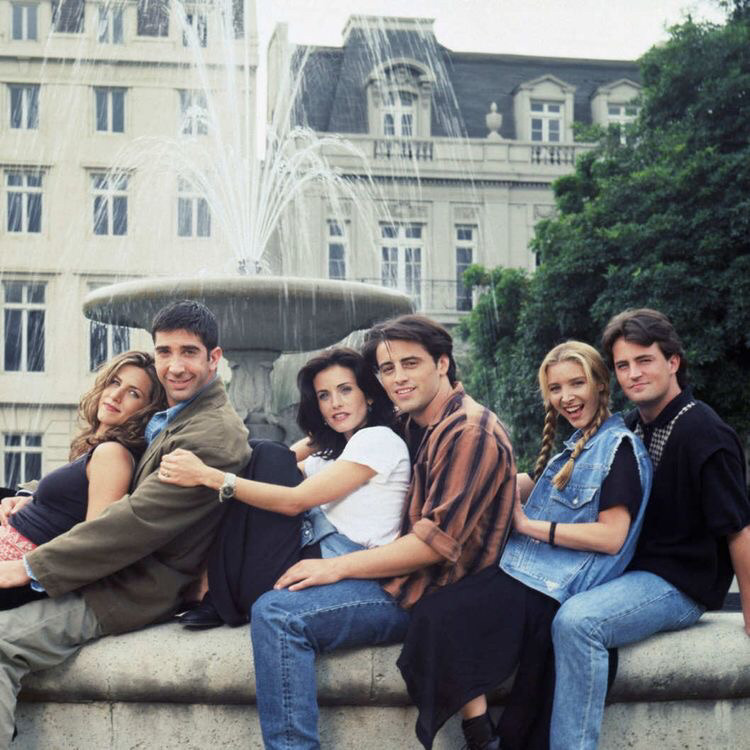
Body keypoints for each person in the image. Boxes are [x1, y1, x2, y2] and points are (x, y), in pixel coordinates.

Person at [246, 314, 517, 750]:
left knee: (279, 615)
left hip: (425, 592)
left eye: (410, 364)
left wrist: (335, 569)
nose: (398, 378)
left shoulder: (468, 430)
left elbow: (433, 547)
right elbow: (340, 438)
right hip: (401, 578)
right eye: (388, 369)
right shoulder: (417, 421)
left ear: (442, 363)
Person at [0, 300, 250, 745]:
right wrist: (30, 495)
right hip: (107, 571)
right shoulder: (176, 415)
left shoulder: (211, 433)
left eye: (189, 352)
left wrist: (28, 568)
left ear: (215, 357)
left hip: (127, 588)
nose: (175, 366)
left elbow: (135, 520)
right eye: (165, 352)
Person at [396, 340, 652, 750]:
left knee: (437, 614)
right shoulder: (575, 446)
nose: (566, 397)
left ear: (601, 385)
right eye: (556, 388)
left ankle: (480, 737)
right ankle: (484, 735)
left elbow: (611, 537)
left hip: (549, 589)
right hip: (527, 574)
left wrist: (529, 526)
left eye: (577, 384)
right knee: (435, 601)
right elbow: (531, 486)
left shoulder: (618, 448)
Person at [549, 309, 750, 750]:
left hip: (679, 583)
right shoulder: (630, 426)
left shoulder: (705, 432)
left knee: (578, 622)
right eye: (623, 365)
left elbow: (738, 529)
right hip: (630, 571)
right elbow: (570, 477)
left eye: (644, 361)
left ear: (673, 361)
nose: (633, 374)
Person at [157, 347, 411, 627]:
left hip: (342, 564)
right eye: (323, 396)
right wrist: (320, 436)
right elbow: (275, 467)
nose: (335, 403)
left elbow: (294, 500)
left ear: (369, 395)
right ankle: (215, 593)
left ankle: (214, 594)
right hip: (304, 558)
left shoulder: (378, 439)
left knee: (265, 452)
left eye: (346, 390)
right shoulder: (335, 454)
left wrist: (208, 476)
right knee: (259, 455)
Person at [0, 350, 165, 610]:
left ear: (147, 411)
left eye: (133, 393)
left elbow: (94, 539)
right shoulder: (96, 447)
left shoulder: (113, 454)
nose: (116, 395)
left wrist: (24, 568)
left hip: (17, 571)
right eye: (115, 382)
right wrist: (28, 499)